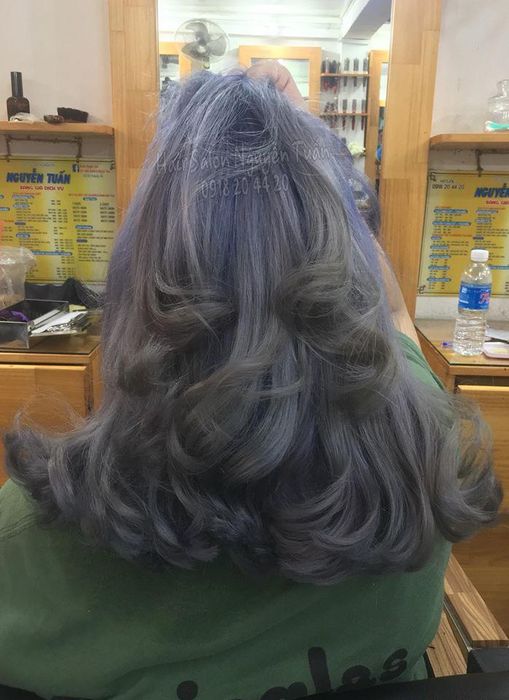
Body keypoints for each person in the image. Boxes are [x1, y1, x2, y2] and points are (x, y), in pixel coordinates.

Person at [0, 63, 500, 700]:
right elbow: (396, 315)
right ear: (346, 266)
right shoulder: (428, 458)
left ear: (139, 285)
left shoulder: (34, 539)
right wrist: (309, 169)